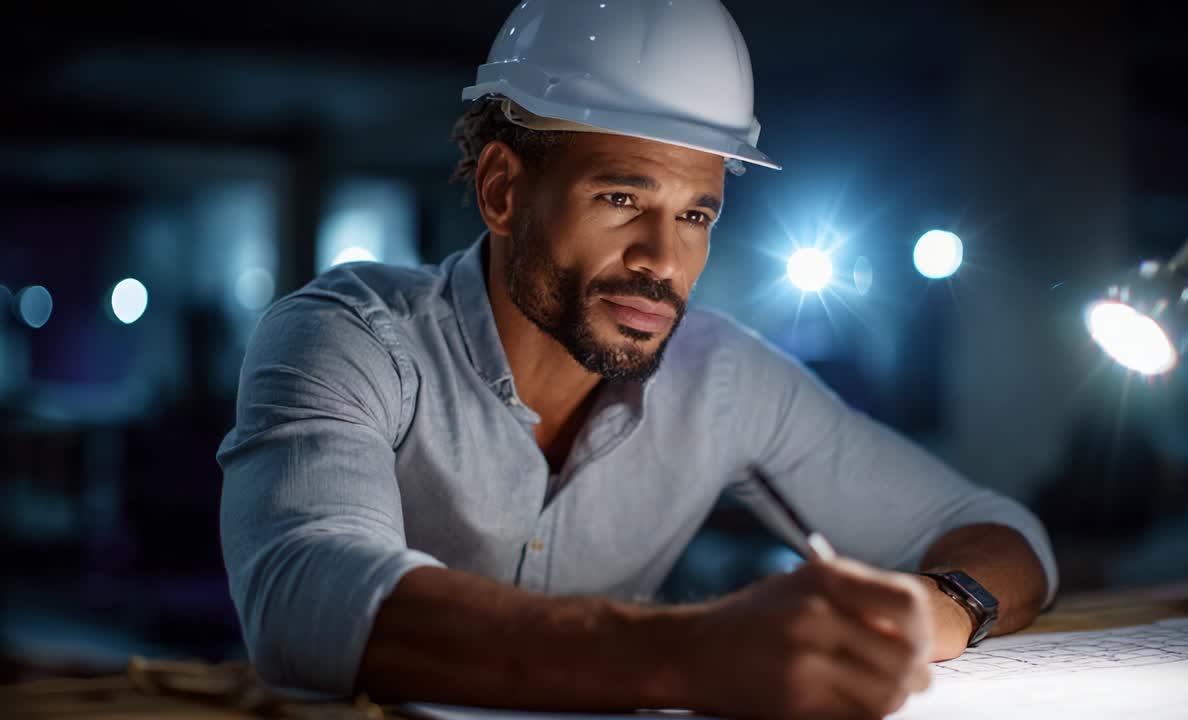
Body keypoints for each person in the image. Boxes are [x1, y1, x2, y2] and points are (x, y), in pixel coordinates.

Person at [217, 1, 1057, 718]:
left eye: (697, 214)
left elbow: (1004, 535)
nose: (663, 257)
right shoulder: (350, 336)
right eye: (621, 198)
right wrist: (695, 651)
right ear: (503, 190)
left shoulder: (723, 377)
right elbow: (303, 592)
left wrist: (936, 608)